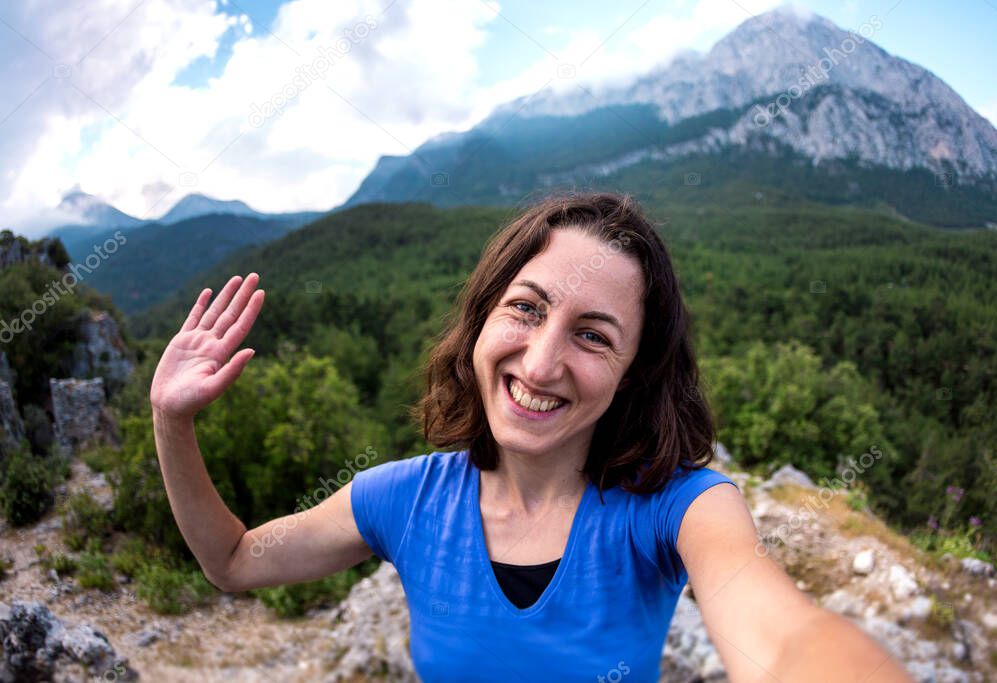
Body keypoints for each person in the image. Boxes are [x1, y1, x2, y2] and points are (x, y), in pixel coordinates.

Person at [149, 191, 913, 682]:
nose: (542, 361)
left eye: (592, 333)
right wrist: (172, 419)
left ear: (631, 372)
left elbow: (782, 643)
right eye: (525, 308)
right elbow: (235, 559)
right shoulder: (403, 497)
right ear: (483, 316)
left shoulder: (677, 508)